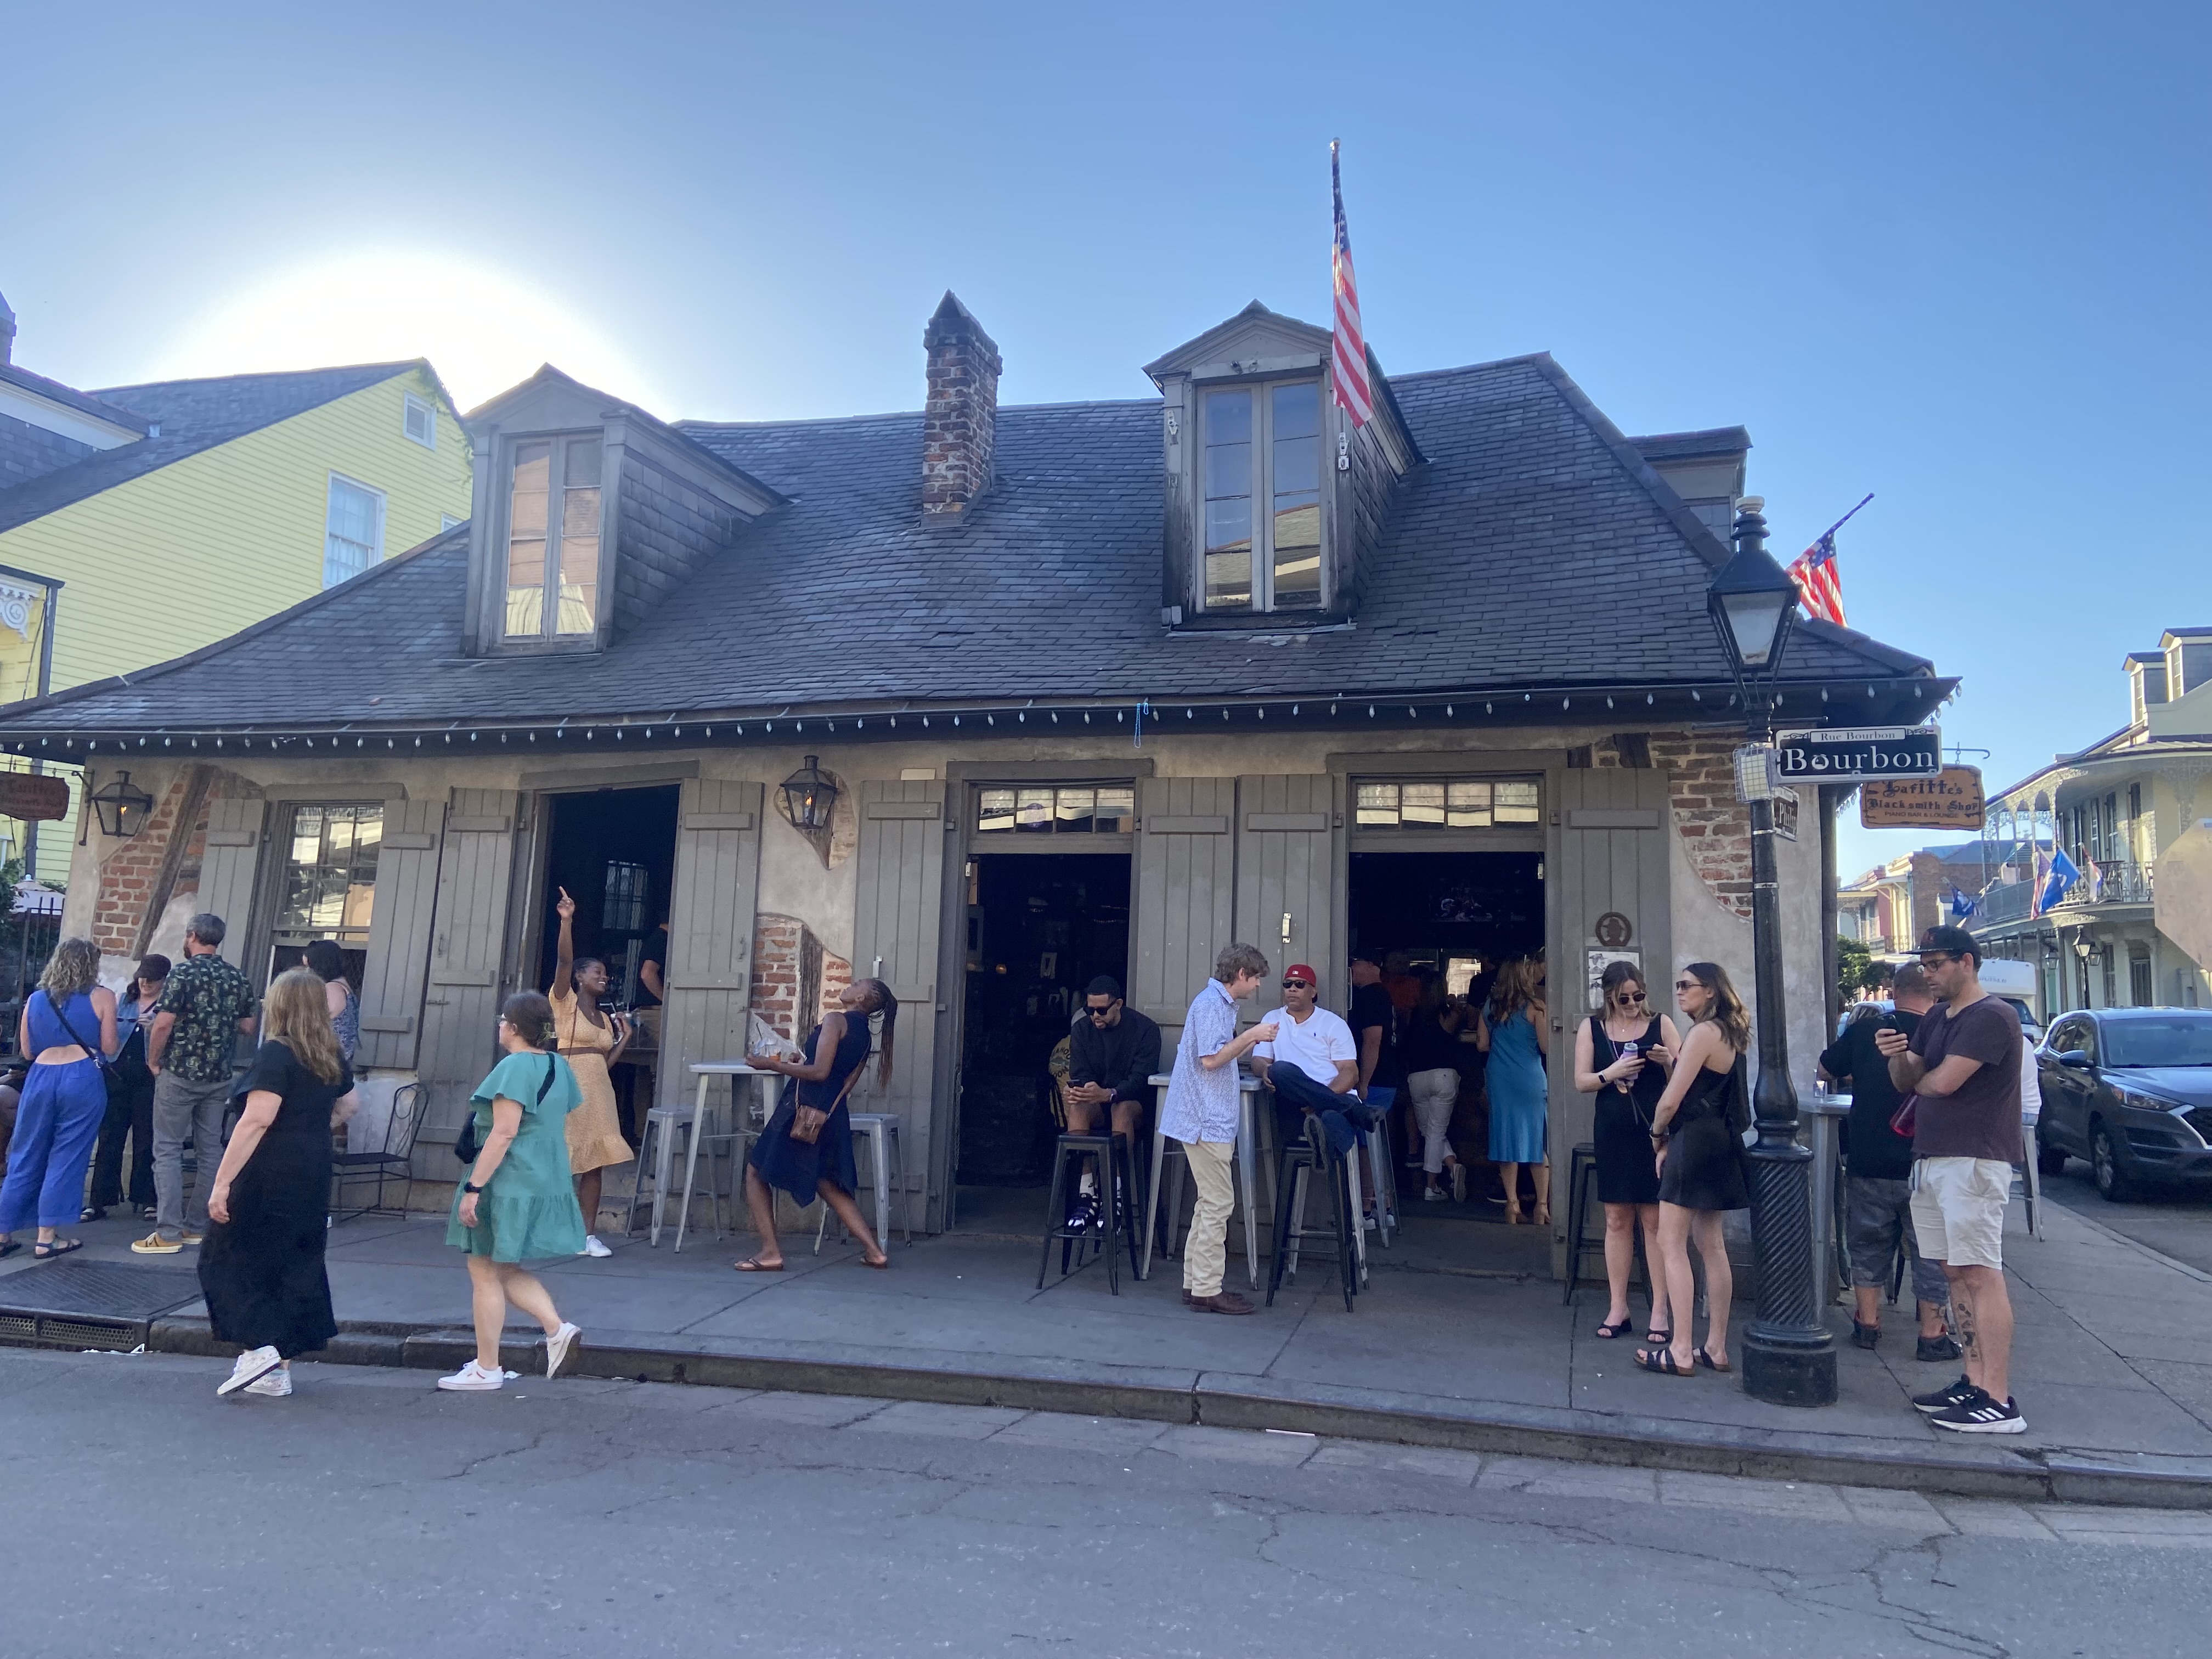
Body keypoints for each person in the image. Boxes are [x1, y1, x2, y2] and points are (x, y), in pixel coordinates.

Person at [1880, 926, 2028, 1434]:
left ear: (1967, 962)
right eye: (1924, 965)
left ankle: (1999, 1397)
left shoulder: (1993, 1016)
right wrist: (1897, 1053)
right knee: (1954, 1272)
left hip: (1974, 1161)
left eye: (1937, 963)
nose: (1929, 973)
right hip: (1934, 1158)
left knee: (1981, 1272)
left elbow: (1941, 1083)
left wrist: (1920, 1073)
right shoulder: (1940, 1016)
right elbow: (1909, 1080)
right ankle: (1974, 1379)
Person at [200, 968, 362, 1399]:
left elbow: (257, 1119)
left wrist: (221, 1182)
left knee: (226, 1254)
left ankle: (258, 1348)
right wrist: (313, 1125)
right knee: (295, 1261)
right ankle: (278, 1368)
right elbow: (350, 1105)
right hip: (313, 1162)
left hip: (270, 1165)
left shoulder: (277, 1053)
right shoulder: (328, 1053)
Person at [441, 990, 586, 1392]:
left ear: (515, 1027)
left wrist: (474, 1187)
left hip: (506, 1178)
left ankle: (488, 1367)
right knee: (504, 1268)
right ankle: (557, 1329)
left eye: (502, 1020)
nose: (500, 1027)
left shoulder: (514, 1068)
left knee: (484, 1270)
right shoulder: (558, 1066)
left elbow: (504, 1132)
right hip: (543, 1175)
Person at [1818, 961, 1956, 1360]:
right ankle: (1932, 1333)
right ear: (1931, 993)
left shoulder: (1867, 1030)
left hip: (1870, 1154)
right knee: (1931, 1249)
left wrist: (1857, 1078)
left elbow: (1824, 1068)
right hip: (1926, 1158)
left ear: (1893, 991)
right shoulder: (1942, 1031)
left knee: (1868, 1242)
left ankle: (1867, 1323)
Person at [1635, 961, 1751, 1377]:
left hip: (1693, 1142)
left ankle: (1680, 1348)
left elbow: (1671, 1099)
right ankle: (1715, 1346)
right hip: (1721, 1140)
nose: (1680, 992)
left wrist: (1657, 1135)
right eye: (1678, 984)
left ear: (1712, 991)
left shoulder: (1703, 1032)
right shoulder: (1730, 1033)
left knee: (1671, 1242)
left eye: (1688, 986)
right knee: (1713, 1245)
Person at [735, 978, 898, 1272]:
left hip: (801, 1108)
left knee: (755, 1170)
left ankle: (771, 1252)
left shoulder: (836, 1020)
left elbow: (821, 1072)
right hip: (831, 1114)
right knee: (825, 1180)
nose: (849, 986)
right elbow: (845, 1084)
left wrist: (772, 1065)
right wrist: (801, 1063)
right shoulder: (865, 1037)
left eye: (856, 984)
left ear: (861, 997)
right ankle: (875, 1252)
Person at [1161, 944, 1275, 1316]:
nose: (1257, 985)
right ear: (1241, 974)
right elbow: (1211, 1060)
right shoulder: (1212, 1005)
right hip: (1204, 1119)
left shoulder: (1214, 1003)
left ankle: (1195, 1284)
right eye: (1256, 977)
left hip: (1204, 1118)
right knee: (1218, 1203)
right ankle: (1207, 1288)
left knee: (1209, 1202)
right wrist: (1253, 1036)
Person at [134, 913, 257, 1255]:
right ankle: (196, 1226)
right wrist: (218, 1024)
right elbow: (249, 1027)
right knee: (211, 1151)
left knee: (168, 1150)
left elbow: (162, 1025)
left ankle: (168, 1232)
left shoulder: (182, 973)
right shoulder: (236, 977)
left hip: (179, 1072)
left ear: (191, 936)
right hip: (218, 1075)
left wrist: (153, 1061)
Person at [1572, 960, 1678, 1341]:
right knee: (1616, 1219)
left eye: (1639, 995)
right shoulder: (1592, 1027)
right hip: (1614, 1131)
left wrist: (1668, 1062)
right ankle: (1618, 1306)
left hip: (1652, 1133)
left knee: (1654, 1222)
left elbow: (1685, 1077)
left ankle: (1660, 1310)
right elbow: (1581, 1080)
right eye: (1625, 998)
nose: (1633, 1003)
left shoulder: (1661, 1024)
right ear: (1610, 997)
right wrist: (1611, 1073)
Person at [0, 938, 117, 1260]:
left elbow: (27, 1051)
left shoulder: (36, 999)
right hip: (82, 1075)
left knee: (24, 1154)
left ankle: (2, 1234)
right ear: (91, 964)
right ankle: (46, 1238)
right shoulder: (103, 996)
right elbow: (109, 1047)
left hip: (41, 1076)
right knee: (67, 1155)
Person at [548, 888, 634, 1258]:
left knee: (594, 1164)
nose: (604, 977)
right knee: (563, 1162)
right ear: (580, 978)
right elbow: (564, 960)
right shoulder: (563, 1003)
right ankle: (556, 1230)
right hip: (569, 1086)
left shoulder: (603, 1017)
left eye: (605, 973)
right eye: (597, 973)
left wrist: (624, 1039)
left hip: (599, 1090)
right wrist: (566, 921)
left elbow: (603, 1063)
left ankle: (587, 1235)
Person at [1060, 975, 1161, 1233]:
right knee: (1077, 1106)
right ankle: (1086, 1193)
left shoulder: (1145, 1030)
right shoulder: (1082, 1029)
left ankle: (1114, 1193)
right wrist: (1079, 1092)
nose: (1095, 1016)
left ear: (1119, 1005)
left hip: (1132, 1106)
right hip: (1097, 1103)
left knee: (1122, 1108)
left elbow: (1141, 1080)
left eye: (1102, 1010)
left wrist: (1110, 1094)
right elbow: (1080, 1072)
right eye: (1090, 1009)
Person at [87, 953, 169, 1222]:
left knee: (147, 1139)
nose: (146, 982)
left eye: (153, 979)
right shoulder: (125, 1000)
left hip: (148, 1077)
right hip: (117, 1074)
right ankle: (99, 1200)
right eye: (143, 976)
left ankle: (146, 1199)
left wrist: (154, 1029)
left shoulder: (168, 1006)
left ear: (164, 980)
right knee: (110, 1138)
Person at [1475, 955, 1550, 1226]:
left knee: (1506, 1136)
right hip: (1529, 1076)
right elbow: (1545, 1047)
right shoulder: (1536, 1007)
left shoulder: (1490, 1006)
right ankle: (1542, 1206)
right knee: (1537, 1139)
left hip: (1500, 1076)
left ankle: (1512, 1204)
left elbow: (1482, 1045)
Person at [1401, 968, 1469, 1203]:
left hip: (1417, 1077)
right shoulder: (1448, 1013)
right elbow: (1456, 1030)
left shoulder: (1413, 1013)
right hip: (1444, 1075)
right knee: (1436, 1132)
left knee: (1429, 1132)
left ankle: (1448, 1169)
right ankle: (1436, 1182)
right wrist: (1455, 1006)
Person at [1345, 953, 1403, 1160]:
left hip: (1375, 1081)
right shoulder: (1380, 994)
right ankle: (1379, 1192)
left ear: (1372, 964)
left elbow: (1373, 1040)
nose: (1350, 967)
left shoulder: (1372, 995)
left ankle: (1369, 1193)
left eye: (1355, 962)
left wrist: (1363, 1083)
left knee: (1365, 1144)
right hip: (1384, 1079)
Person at [303, 940, 360, 1065]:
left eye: (309, 967)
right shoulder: (344, 986)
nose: (307, 972)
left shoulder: (332, 989)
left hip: (328, 1061)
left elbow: (312, 1023)